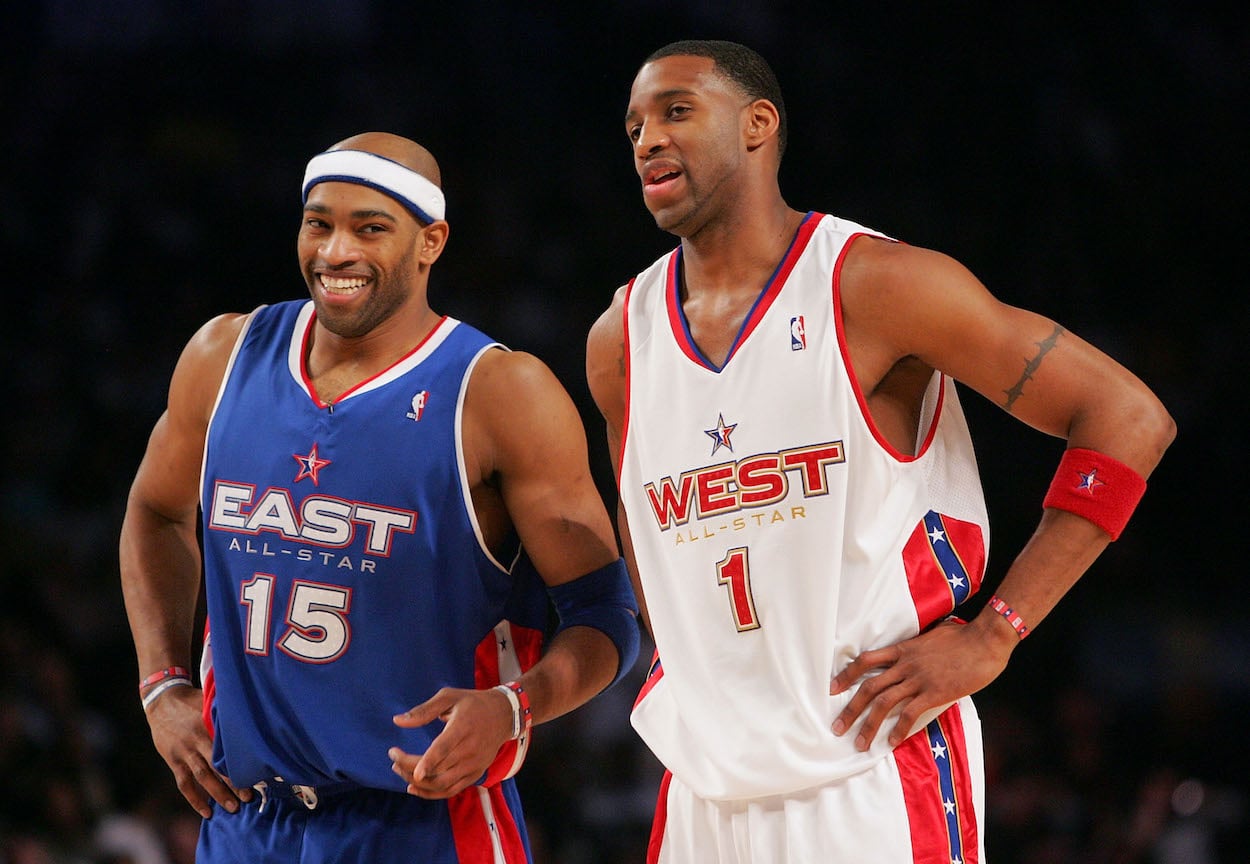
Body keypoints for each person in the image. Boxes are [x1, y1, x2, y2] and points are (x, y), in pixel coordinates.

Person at [586, 40, 1175, 863]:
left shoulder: (874, 285)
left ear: (759, 125)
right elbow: (641, 519)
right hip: (702, 783)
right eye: (633, 124)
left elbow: (1127, 417)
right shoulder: (621, 336)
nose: (646, 138)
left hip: (867, 766)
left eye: (675, 111)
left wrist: (995, 633)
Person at [119, 131, 639, 863]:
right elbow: (154, 510)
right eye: (319, 222)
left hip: (422, 821)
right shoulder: (222, 358)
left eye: (370, 228)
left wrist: (515, 708)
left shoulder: (498, 394)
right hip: (245, 820)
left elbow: (607, 617)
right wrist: (161, 684)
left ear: (430, 242)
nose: (335, 252)